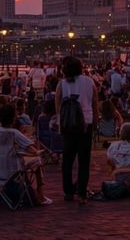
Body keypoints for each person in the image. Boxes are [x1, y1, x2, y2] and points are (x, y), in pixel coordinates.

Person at [0, 104, 49, 205]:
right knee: (37, 161)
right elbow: (32, 149)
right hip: (12, 174)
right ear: (13, 118)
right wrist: (38, 151)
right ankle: (40, 194)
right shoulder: (14, 133)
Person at [55, 56, 96, 203]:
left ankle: (68, 192)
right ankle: (82, 193)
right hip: (86, 123)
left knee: (67, 160)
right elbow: (95, 104)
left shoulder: (62, 84)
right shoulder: (89, 82)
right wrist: (95, 122)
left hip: (68, 125)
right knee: (84, 161)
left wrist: (60, 124)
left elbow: (58, 106)